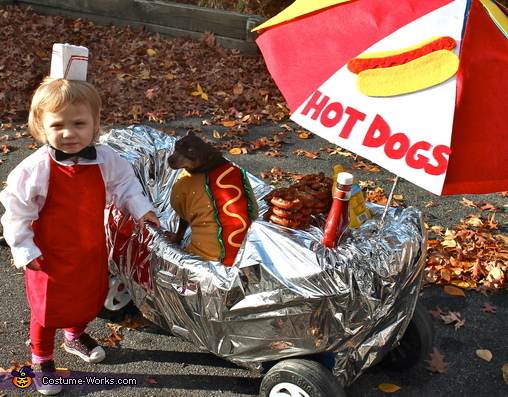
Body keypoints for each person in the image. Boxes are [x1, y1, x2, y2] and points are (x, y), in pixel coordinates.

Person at [0, 77, 160, 395]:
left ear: (95, 123)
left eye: (79, 123)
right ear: (40, 127)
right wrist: (24, 249)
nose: (69, 133)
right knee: (47, 310)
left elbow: (126, 186)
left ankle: (75, 336)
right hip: (48, 254)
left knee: (87, 297)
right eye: (57, 125)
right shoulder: (34, 171)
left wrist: (142, 210)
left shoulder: (107, 160)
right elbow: (16, 213)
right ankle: (42, 360)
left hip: (89, 249)